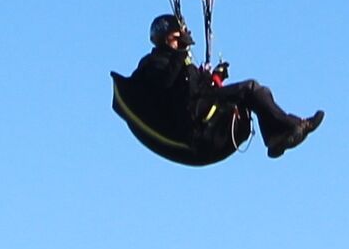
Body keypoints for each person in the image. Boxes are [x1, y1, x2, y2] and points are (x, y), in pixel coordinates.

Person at [120, 11, 323, 160]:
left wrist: (215, 78)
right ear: (165, 40)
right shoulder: (153, 63)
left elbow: (198, 88)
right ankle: (290, 126)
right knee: (249, 88)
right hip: (190, 120)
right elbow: (165, 85)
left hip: (199, 106)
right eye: (176, 38)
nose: (181, 42)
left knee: (259, 94)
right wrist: (181, 54)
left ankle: (274, 138)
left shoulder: (181, 62)